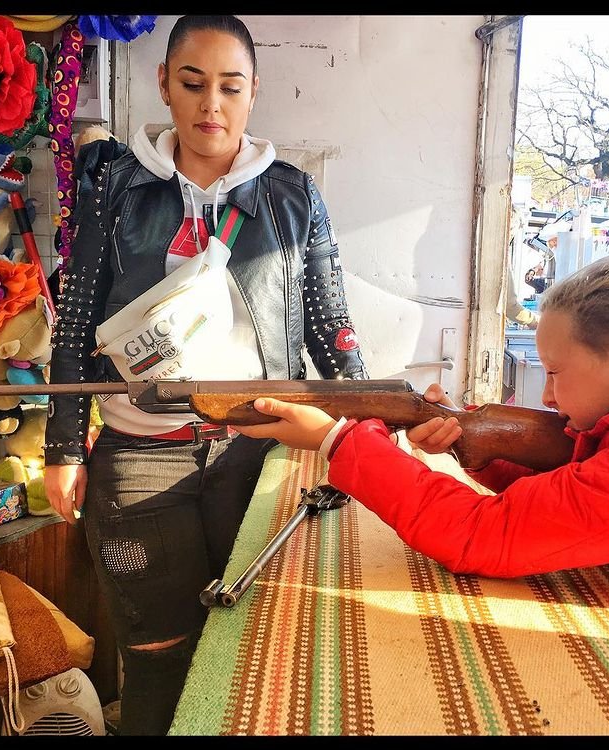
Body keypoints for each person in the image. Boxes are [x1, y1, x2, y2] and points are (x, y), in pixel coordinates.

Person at [43, 15, 368, 736]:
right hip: (138, 462)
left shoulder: (293, 195)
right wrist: (63, 447)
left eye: (230, 87)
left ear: (253, 93)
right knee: (158, 661)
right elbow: (74, 323)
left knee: (258, 654)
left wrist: (368, 438)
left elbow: (332, 332)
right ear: (165, 84)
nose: (210, 105)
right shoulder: (115, 187)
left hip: (257, 454)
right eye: (192, 84)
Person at [235, 251, 609, 611]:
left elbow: (480, 535)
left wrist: (335, 441)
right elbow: (575, 486)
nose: (547, 397)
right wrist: (473, 441)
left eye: (553, 372)